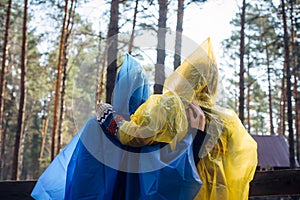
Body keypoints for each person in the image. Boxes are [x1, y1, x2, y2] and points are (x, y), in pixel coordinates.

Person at [98, 37, 257, 200]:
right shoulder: (229, 122)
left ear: (185, 75)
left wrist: (109, 117)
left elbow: (132, 136)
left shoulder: (173, 107)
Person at [31, 53, 204, 200]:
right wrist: (196, 135)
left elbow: (81, 178)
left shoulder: (98, 126)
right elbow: (167, 178)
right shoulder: (149, 135)